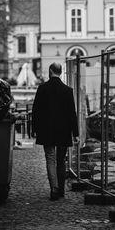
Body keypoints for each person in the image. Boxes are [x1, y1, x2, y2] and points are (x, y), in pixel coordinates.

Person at [32, 62, 79, 201]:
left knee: (50, 159)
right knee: (61, 160)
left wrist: (34, 129)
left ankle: (54, 188)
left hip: (47, 130)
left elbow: (36, 111)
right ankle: (62, 191)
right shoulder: (67, 90)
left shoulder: (42, 88)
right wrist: (75, 133)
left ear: (50, 71)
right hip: (63, 131)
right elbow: (72, 114)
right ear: (60, 71)